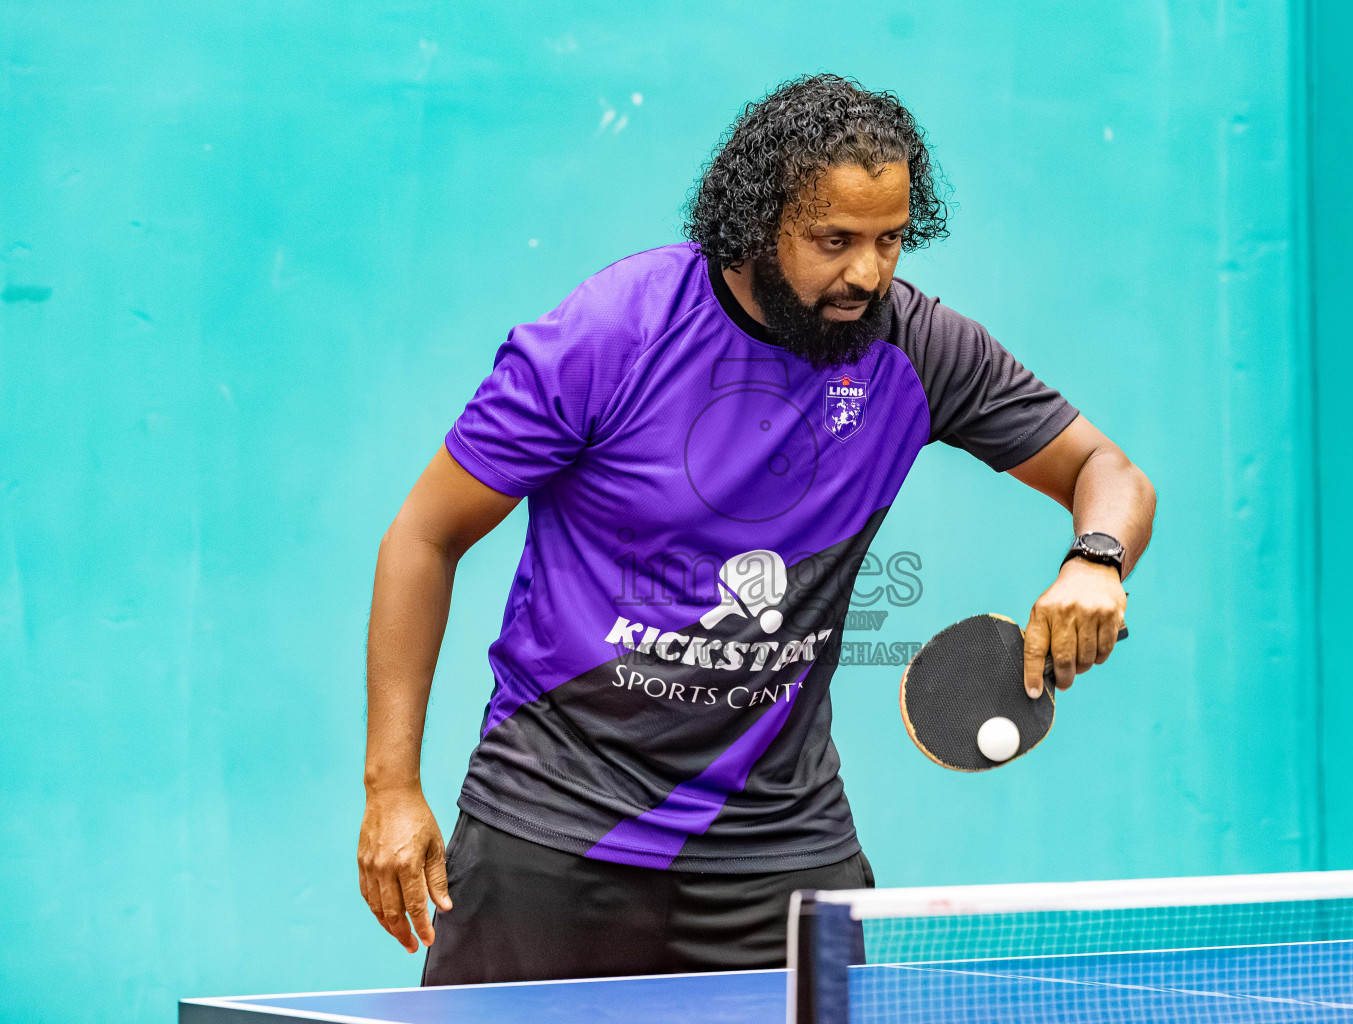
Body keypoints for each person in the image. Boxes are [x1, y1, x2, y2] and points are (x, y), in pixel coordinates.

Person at [357, 74, 1156, 985]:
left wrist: (1096, 559)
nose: (868, 272)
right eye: (834, 241)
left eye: (890, 239)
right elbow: (424, 536)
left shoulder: (916, 347)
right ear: (755, 223)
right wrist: (391, 788)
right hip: (556, 822)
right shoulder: (612, 335)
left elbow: (1110, 473)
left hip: (780, 844)